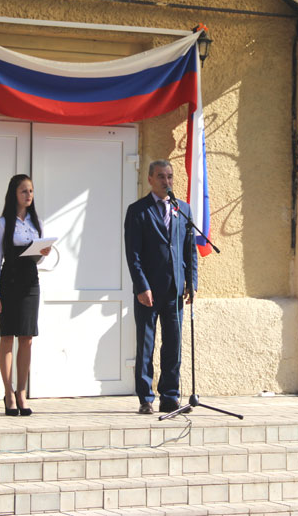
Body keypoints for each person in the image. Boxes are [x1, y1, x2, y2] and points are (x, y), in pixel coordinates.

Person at [124, 159, 198, 415]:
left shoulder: (182, 209)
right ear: (150, 179)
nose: (167, 181)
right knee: (146, 345)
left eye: (170, 176)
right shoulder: (138, 210)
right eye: (161, 177)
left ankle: (170, 397)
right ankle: (146, 398)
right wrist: (141, 286)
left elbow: (190, 250)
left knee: (173, 345)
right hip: (149, 291)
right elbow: (133, 254)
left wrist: (191, 282)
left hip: (174, 290)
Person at [0, 174, 51, 416]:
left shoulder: (37, 222)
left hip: (30, 283)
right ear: (14, 194)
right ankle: (8, 392)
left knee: (27, 337)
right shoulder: (3, 223)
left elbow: (38, 259)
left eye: (31, 191)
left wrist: (43, 253)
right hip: (9, 282)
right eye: (24, 191)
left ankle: (22, 392)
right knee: (7, 336)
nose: (28, 195)